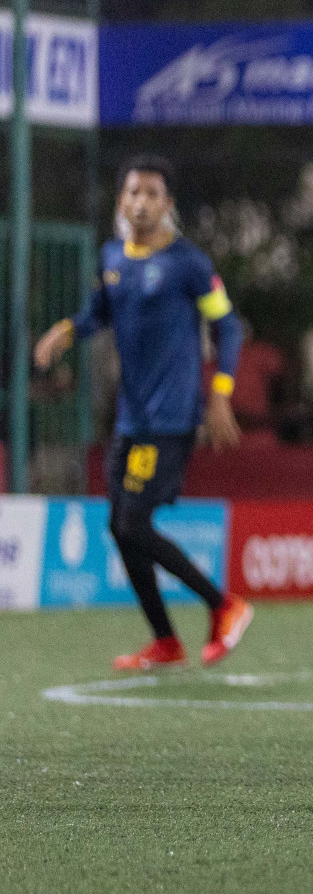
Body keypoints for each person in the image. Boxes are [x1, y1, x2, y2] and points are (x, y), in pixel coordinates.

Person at [33, 155, 253, 670]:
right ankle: (166, 642)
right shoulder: (111, 258)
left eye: (153, 194)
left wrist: (220, 392)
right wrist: (66, 332)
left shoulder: (188, 264)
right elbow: (99, 315)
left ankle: (224, 605)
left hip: (171, 419)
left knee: (132, 520)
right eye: (134, 192)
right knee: (120, 523)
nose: (142, 202)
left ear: (168, 205)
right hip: (130, 419)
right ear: (121, 202)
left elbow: (230, 328)